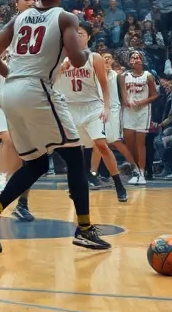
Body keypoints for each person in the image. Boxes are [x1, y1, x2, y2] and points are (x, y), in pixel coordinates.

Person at [0, 0, 112, 253]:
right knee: (74, 157)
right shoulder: (66, 17)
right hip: (37, 88)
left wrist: (13, 76)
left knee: (35, 163)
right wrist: (86, 50)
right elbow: (76, 58)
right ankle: (85, 229)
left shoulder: (20, 17)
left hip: (11, 90)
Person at [0, 0, 38, 220]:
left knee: (27, 151)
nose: (32, 2)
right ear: (16, 3)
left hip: (31, 94)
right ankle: (3, 177)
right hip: (5, 94)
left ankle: (20, 198)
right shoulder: (8, 32)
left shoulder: (44, 28)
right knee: (7, 139)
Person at [54, 24, 126, 203]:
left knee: (101, 145)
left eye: (81, 34)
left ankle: (118, 183)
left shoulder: (94, 58)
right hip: (70, 108)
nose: (76, 37)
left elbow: (104, 84)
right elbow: (51, 80)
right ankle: (75, 185)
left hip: (92, 106)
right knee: (73, 151)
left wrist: (107, 107)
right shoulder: (61, 57)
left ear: (88, 37)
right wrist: (60, 69)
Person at [119, 51, 156, 184]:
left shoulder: (148, 76)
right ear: (129, 61)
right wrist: (126, 101)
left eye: (138, 57)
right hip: (129, 111)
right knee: (129, 143)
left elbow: (154, 95)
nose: (136, 59)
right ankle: (135, 170)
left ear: (142, 60)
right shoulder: (124, 76)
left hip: (143, 111)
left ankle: (142, 172)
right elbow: (123, 94)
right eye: (133, 58)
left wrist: (141, 102)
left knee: (141, 143)